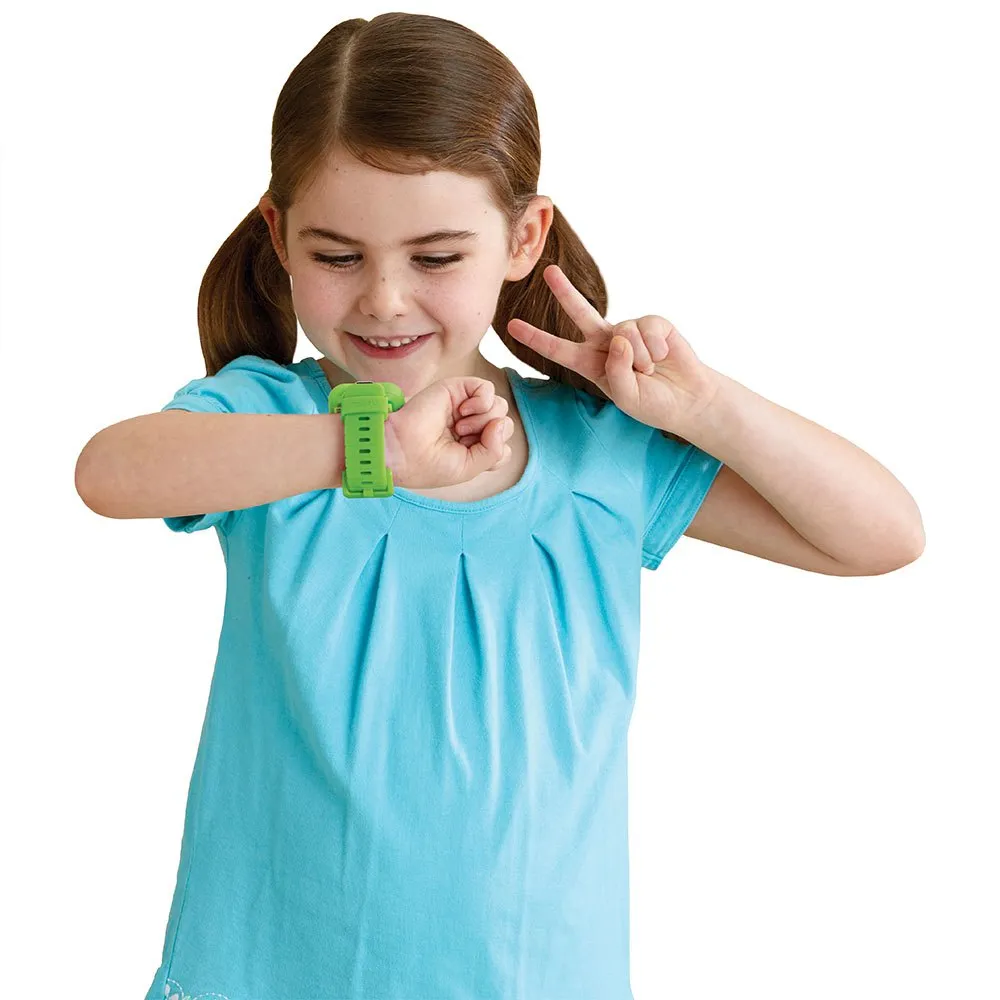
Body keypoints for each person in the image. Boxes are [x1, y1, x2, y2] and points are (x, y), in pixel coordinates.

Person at [74, 13, 924, 1000]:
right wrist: (367, 449)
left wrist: (710, 408)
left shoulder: (596, 448)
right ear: (280, 236)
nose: (385, 300)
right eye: (337, 255)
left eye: (436, 257)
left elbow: (883, 535)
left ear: (523, 238)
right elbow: (111, 472)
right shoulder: (276, 423)